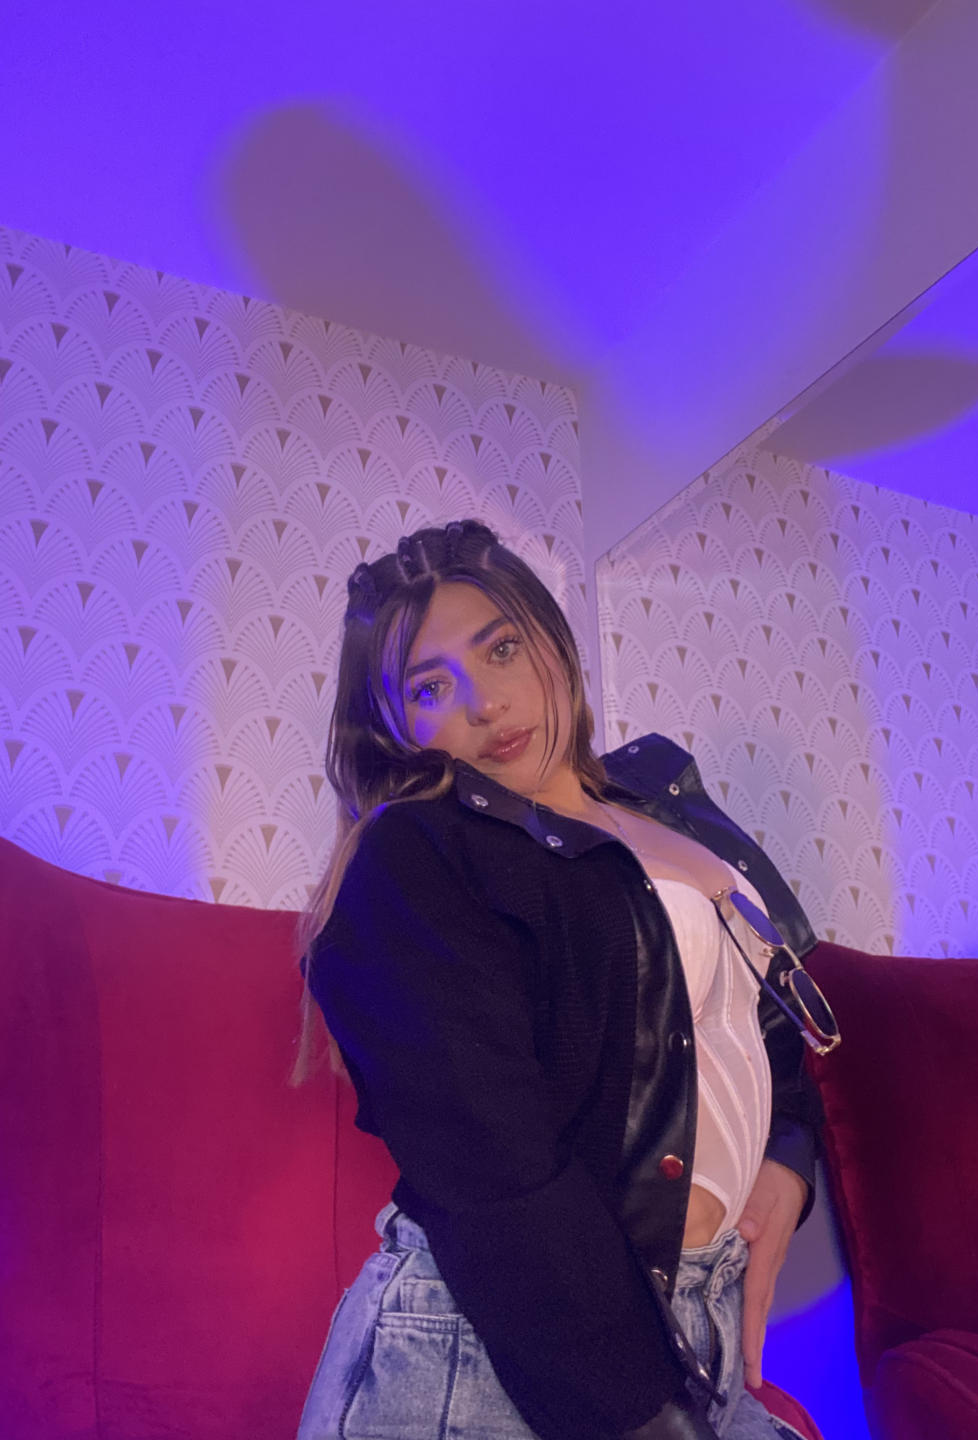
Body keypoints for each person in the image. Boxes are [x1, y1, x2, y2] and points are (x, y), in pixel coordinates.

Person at [294, 519, 826, 1440]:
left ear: (551, 637)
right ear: (394, 726)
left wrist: (788, 1157)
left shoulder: (667, 808)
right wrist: (642, 1413)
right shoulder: (419, 854)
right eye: (430, 686)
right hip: (486, 1347)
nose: (485, 702)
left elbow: (764, 1024)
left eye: (500, 648)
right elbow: (492, 1164)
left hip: (688, 1336)